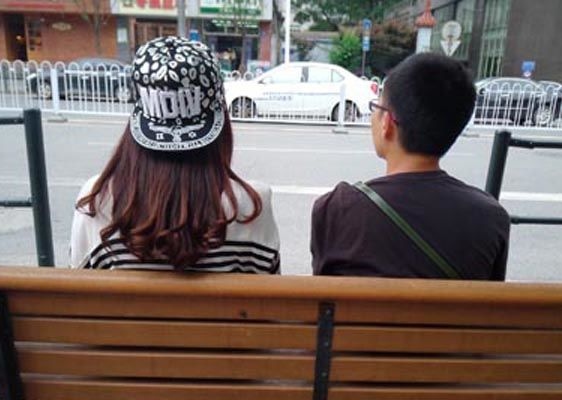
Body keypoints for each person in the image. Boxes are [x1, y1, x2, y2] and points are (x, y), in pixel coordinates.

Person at [70, 36, 280, 273]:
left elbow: (77, 289)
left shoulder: (96, 200)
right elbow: (269, 292)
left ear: (139, 120)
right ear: (220, 121)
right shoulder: (252, 206)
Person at [311, 53, 510, 280]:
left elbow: (324, 294)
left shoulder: (336, 209)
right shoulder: (491, 219)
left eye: (377, 107)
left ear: (387, 123)